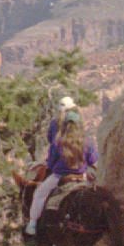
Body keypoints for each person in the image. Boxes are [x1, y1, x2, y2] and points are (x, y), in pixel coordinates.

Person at [26, 97, 97, 236]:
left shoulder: (58, 141)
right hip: (81, 177)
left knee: (39, 194)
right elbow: (93, 159)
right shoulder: (87, 141)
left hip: (60, 177)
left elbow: (51, 163)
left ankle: (33, 224)